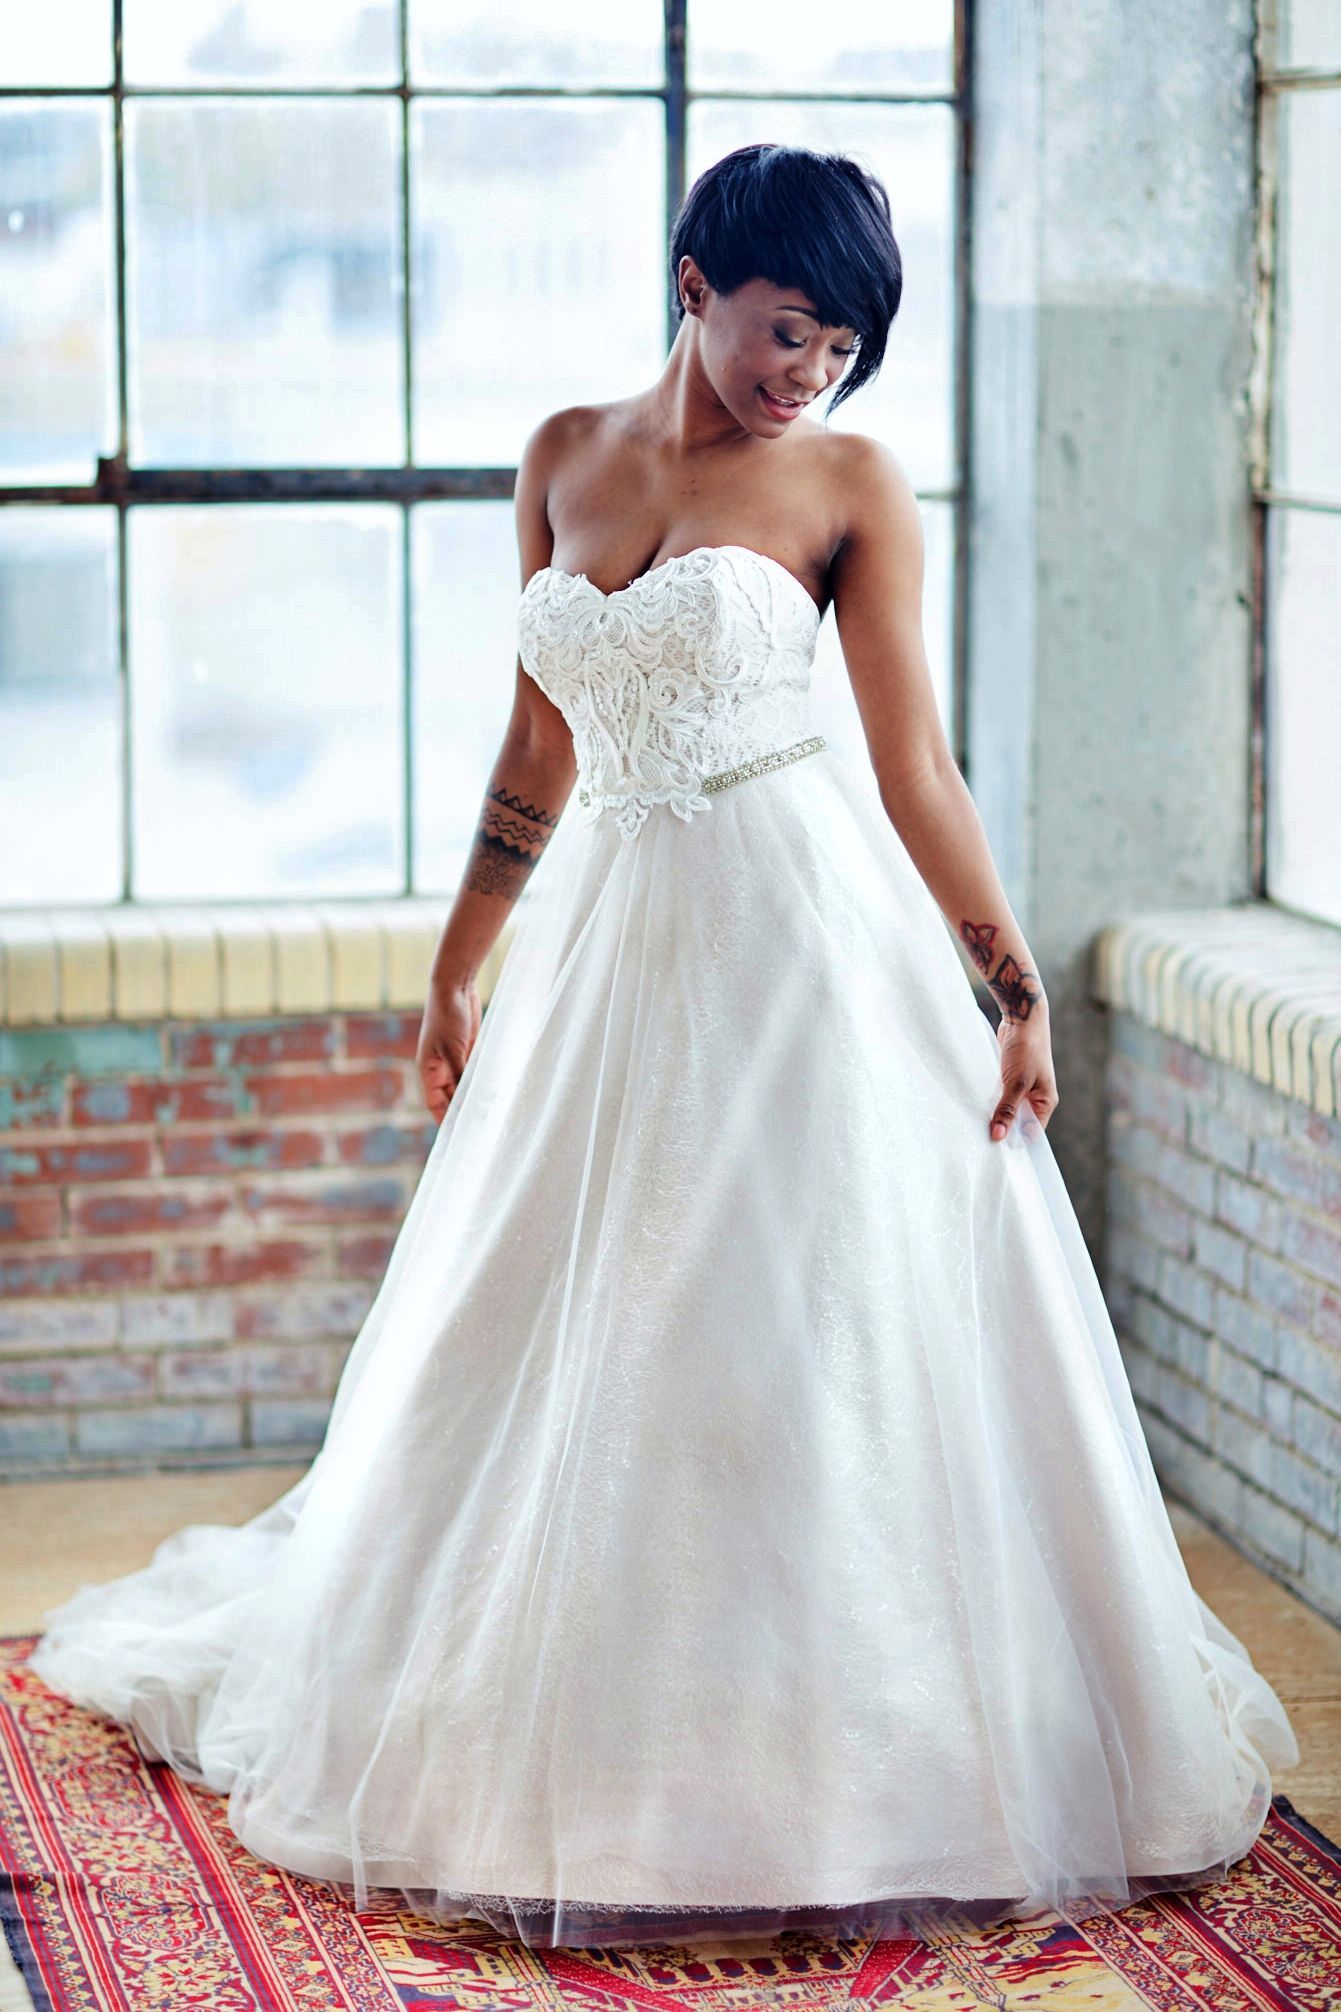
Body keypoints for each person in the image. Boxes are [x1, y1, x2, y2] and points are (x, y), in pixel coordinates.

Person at [27, 142, 1297, 1954]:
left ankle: (833, 1753)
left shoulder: (849, 482)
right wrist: (458, 966)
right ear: (693, 280)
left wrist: (1006, 989)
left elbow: (913, 763)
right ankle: (550, 1728)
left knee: (797, 1331)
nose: (811, 375)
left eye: (843, 347)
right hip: (605, 938)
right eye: (787, 330)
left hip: (795, 939)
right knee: (564, 1329)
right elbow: (535, 745)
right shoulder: (561, 455)